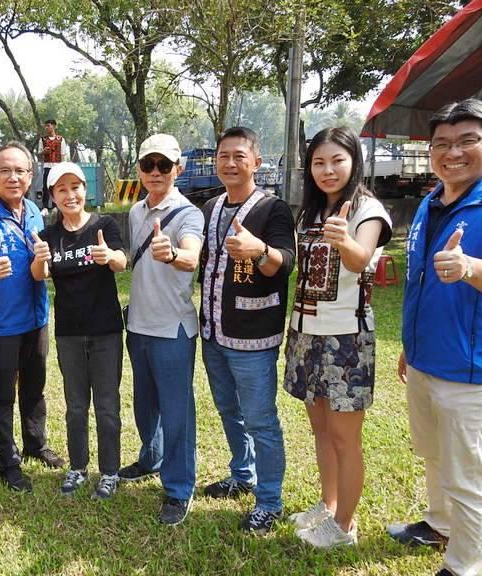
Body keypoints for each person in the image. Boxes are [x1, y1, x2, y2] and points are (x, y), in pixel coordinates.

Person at [283, 127, 392, 548]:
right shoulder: (310, 210)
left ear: (354, 161)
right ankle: (328, 506)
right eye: (318, 162)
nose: (327, 170)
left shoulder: (367, 209)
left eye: (337, 161)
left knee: (346, 437)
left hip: (346, 339)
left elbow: (361, 258)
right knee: (322, 431)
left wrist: (344, 239)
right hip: (306, 333)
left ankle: (345, 526)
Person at [390, 98, 482, 576]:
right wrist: (410, 344)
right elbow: (419, 281)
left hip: (470, 369)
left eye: (468, 141)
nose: (454, 153)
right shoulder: (431, 202)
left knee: (468, 473)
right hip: (426, 357)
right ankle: (438, 523)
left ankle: (466, 563)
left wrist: (470, 268)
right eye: (442, 144)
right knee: (432, 454)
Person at [199, 126, 295, 535]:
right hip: (214, 330)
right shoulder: (210, 207)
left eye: (240, 155)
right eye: (224, 155)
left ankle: (270, 501)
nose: (231, 162)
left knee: (261, 419)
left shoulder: (273, 209)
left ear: (257, 162)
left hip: (253, 335)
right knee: (228, 410)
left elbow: (284, 263)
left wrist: (261, 251)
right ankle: (243, 473)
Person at [0, 141, 65, 493]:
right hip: (1, 324)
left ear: (30, 175)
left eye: (20, 170)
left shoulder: (36, 212)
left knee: (35, 387)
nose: (13, 177)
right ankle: (8, 459)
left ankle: (35, 444)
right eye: (5, 170)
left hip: (36, 318)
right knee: (4, 392)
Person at [118, 133, 204, 525]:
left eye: (164, 166)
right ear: (139, 169)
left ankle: (178, 487)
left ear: (178, 170)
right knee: (145, 404)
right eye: (148, 165)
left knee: (176, 412)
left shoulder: (189, 214)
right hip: (138, 325)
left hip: (172, 329)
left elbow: (191, 255)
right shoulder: (135, 212)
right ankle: (150, 458)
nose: (155, 172)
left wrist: (173, 254)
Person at [30, 162, 126, 500]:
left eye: (75, 187)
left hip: (106, 331)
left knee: (107, 404)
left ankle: (110, 471)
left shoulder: (105, 225)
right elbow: (38, 274)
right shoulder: (49, 236)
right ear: (53, 196)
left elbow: (121, 261)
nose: (70, 195)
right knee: (74, 405)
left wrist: (108, 256)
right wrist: (40, 256)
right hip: (69, 333)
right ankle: (78, 467)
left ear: (85, 190)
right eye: (62, 190)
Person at [36, 119, 69, 212]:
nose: (46, 128)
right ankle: (45, 206)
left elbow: (63, 154)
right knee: (45, 186)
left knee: (57, 186)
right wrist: (43, 152)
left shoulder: (61, 139)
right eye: (45, 126)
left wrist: (64, 168)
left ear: (54, 126)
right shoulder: (42, 140)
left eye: (48, 126)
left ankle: (56, 206)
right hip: (47, 166)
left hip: (58, 167)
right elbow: (39, 153)